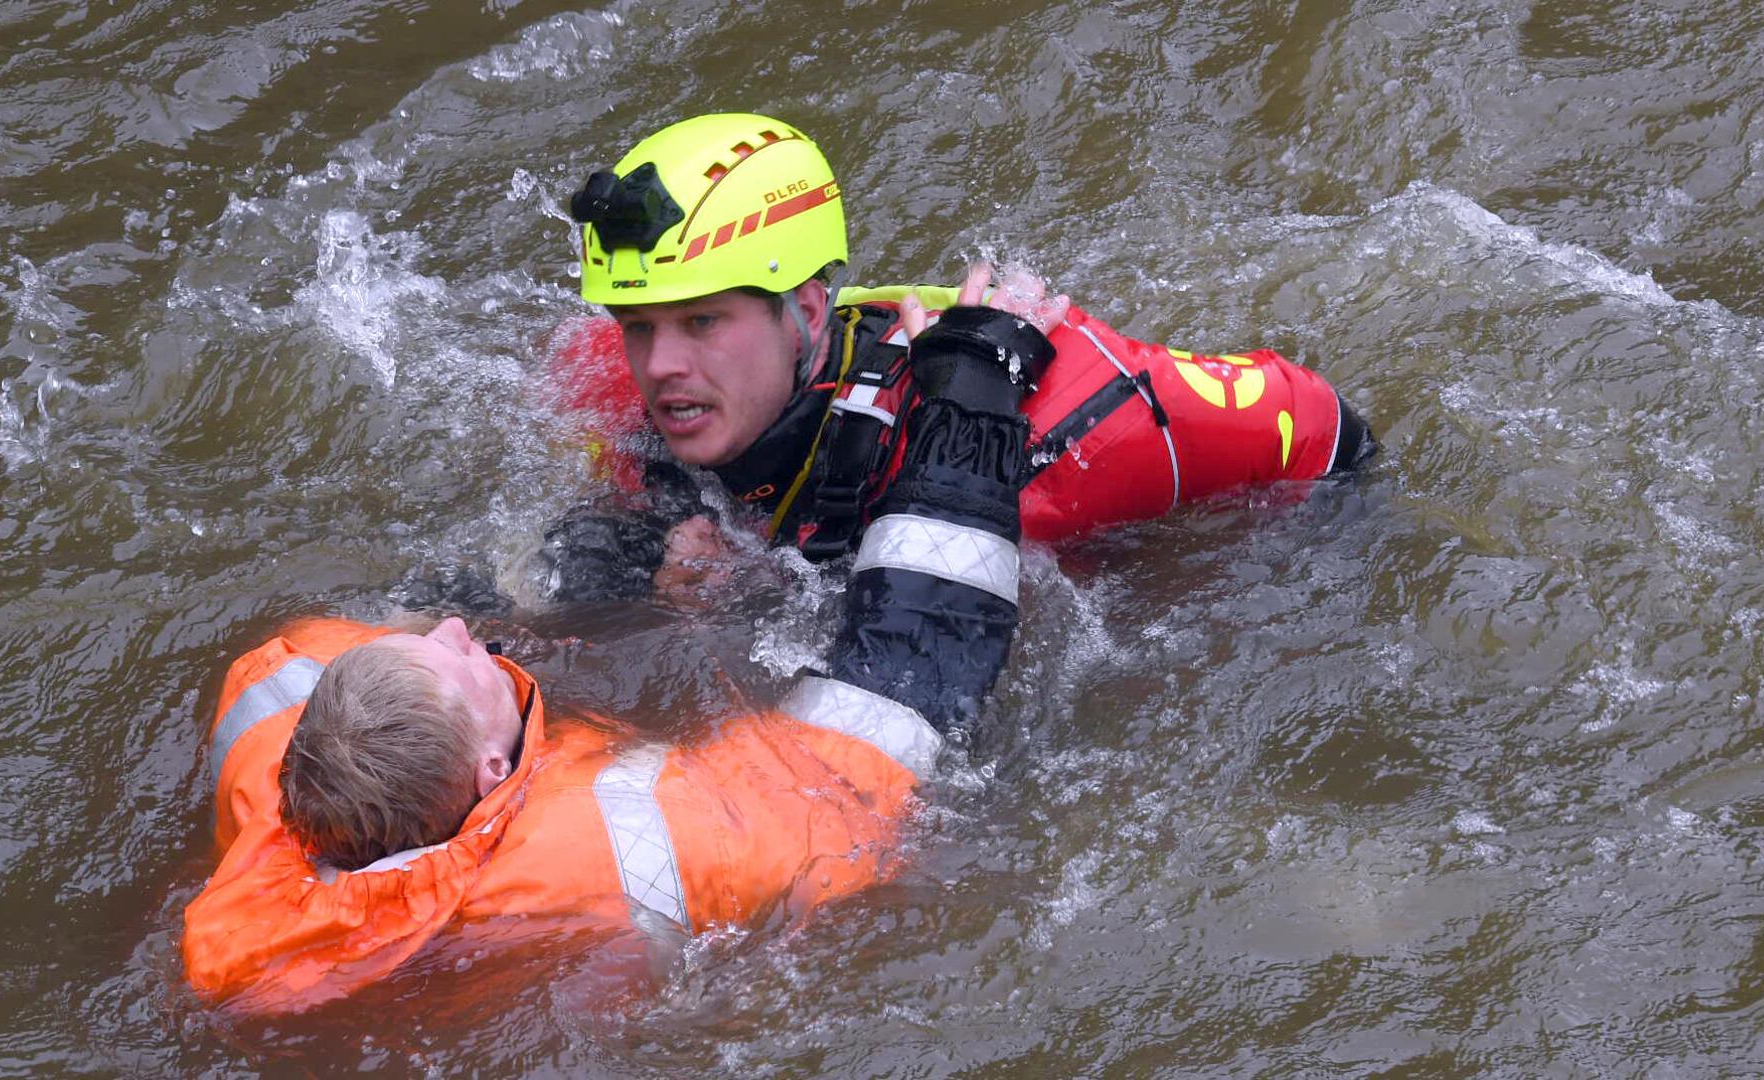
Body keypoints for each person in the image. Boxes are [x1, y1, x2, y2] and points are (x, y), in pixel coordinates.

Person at [181, 285, 1051, 1011]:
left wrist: (639, 581)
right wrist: (979, 388)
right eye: (462, 662)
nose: (455, 634)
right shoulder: (638, 840)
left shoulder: (282, 736)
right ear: (493, 774)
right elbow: (901, 692)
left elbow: (368, 644)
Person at [540, 112, 1377, 600]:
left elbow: (1315, 423)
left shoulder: (1046, 429)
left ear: (803, 309)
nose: (660, 365)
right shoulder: (617, 382)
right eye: (640, 325)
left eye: (703, 323)